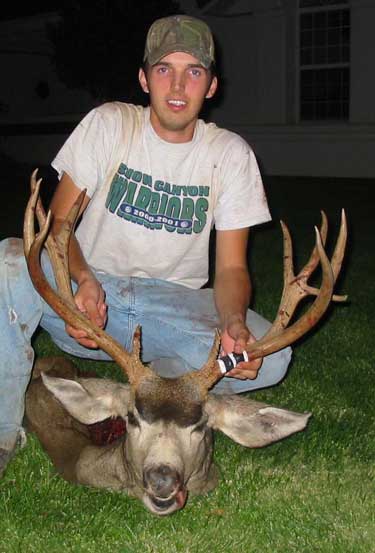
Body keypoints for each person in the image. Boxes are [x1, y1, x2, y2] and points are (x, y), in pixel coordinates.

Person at [0, 15, 291, 477]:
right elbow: (58, 224)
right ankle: (2, 433)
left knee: (272, 356)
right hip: (93, 302)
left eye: (193, 71)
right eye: (164, 69)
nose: (178, 85)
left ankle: (154, 397)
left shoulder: (230, 155)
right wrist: (83, 279)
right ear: (143, 78)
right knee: (9, 261)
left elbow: (232, 269)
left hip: (167, 311)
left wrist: (234, 321)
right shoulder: (109, 124)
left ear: (211, 85)